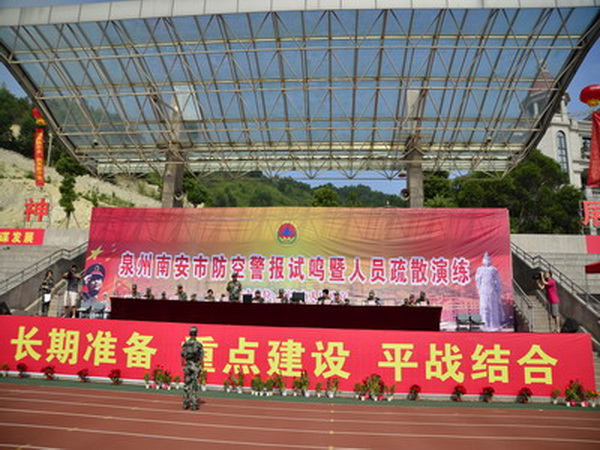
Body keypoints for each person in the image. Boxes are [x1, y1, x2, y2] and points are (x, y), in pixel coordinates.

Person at [475, 252, 504, 331]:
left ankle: (493, 325)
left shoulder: (493, 270)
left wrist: (497, 290)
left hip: (492, 291)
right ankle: (484, 324)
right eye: (485, 259)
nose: (486, 261)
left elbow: (497, 281)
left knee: (492, 308)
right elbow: (478, 281)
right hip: (483, 291)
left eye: (488, 259)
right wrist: (479, 289)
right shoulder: (480, 270)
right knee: (484, 308)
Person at [181, 326, 204, 411]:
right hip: (195, 366)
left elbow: (182, 355)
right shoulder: (198, 344)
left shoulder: (185, 344)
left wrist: (184, 365)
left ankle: (186, 403)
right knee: (194, 384)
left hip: (187, 365)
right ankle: (194, 404)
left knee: (187, 384)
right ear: (196, 334)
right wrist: (200, 366)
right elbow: (201, 356)